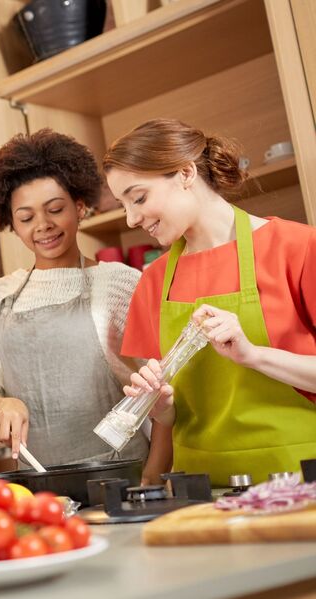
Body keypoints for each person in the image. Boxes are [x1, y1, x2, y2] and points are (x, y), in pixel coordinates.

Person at [104, 118, 316, 486]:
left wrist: (253, 355)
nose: (132, 217)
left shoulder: (298, 248)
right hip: (200, 491)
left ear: (186, 173)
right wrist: (151, 484)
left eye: (138, 197)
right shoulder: (153, 282)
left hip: (300, 481)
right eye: (124, 205)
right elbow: (165, 426)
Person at [0, 129, 149, 469]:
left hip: (121, 473)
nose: (43, 226)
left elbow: (158, 390)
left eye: (55, 209)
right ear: (12, 224)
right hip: (38, 483)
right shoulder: (2, 295)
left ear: (80, 208)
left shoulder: (119, 283)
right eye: (26, 218)